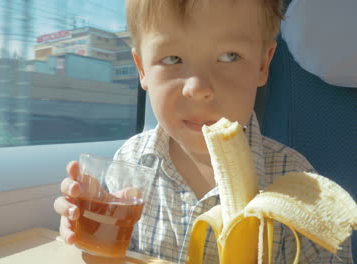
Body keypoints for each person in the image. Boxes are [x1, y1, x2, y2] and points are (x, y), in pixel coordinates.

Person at [54, 0, 353, 263]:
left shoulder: (300, 184)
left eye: (229, 56)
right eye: (172, 59)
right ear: (142, 70)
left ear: (263, 64)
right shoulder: (128, 164)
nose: (197, 89)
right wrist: (91, 236)